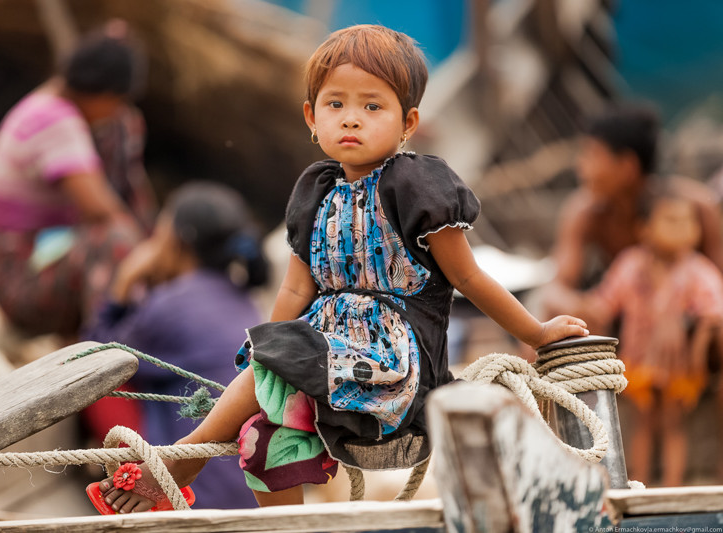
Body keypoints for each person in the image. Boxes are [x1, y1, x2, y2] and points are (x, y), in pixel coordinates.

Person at [94, 24, 588, 513]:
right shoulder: (314, 194)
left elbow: (469, 278)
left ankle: (181, 464)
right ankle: (287, 526)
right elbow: (293, 292)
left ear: (407, 121)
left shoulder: (418, 186)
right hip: (317, 357)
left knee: (282, 353)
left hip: (392, 363)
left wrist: (537, 331)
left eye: (372, 106)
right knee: (260, 440)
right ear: (312, 116)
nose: (352, 119)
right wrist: (257, 359)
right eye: (336, 105)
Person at [83, 182, 268, 509]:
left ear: (175, 238)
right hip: (250, 492)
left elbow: (91, 353)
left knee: (103, 380)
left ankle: (138, 483)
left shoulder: (173, 304)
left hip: (195, 491)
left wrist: (123, 283)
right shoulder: (242, 300)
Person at [0, 20, 156, 338]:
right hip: (20, 287)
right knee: (115, 241)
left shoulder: (53, 103)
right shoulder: (54, 122)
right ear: (102, 91)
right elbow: (104, 211)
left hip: (42, 258)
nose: (119, 110)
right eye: (118, 100)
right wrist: (151, 258)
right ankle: (113, 357)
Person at [570, 186, 723, 486]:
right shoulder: (632, 265)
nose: (682, 228)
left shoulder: (697, 270)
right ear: (645, 228)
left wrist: (697, 354)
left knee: (672, 424)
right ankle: (638, 480)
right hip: (638, 362)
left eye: (687, 221)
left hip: (678, 367)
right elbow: (604, 303)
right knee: (643, 423)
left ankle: (672, 484)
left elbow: (714, 314)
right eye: (670, 220)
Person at [541, 104, 723, 327]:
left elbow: (718, 282)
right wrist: (576, 307)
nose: (580, 166)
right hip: (626, 322)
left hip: (692, 322)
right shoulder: (586, 212)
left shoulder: (696, 206)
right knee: (544, 323)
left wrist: (682, 318)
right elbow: (557, 287)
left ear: (628, 166)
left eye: (592, 154)